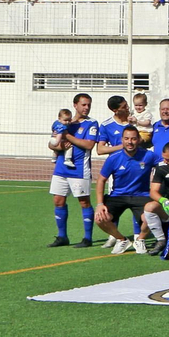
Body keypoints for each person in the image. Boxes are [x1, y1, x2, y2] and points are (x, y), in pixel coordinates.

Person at [94, 126, 159, 255]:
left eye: (133, 139)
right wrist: (100, 204)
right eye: (127, 139)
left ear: (139, 140)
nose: (130, 142)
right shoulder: (113, 158)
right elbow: (101, 180)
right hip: (118, 195)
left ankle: (140, 240)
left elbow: (167, 162)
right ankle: (121, 240)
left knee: (150, 217)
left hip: (142, 195)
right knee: (100, 218)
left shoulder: (149, 156)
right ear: (122, 140)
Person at [48, 92, 100, 247]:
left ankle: (87, 238)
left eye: (89, 105)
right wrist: (58, 145)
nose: (86, 108)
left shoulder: (92, 124)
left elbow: (89, 145)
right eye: (83, 104)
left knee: (84, 202)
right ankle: (62, 236)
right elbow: (51, 143)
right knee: (58, 200)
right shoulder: (65, 122)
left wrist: (67, 137)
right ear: (75, 105)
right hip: (61, 168)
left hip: (79, 169)